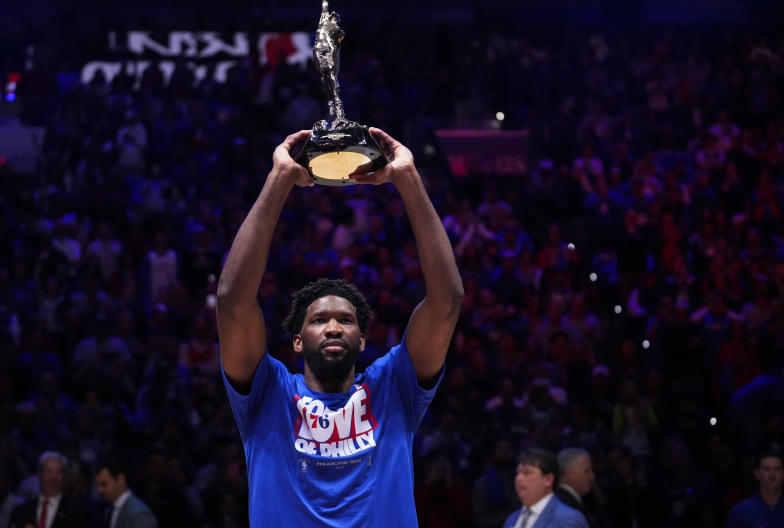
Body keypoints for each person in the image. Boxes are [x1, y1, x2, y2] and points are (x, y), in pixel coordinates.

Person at [216, 128, 464, 527]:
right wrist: (279, 179)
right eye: (319, 320)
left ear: (362, 339)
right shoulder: (269, 392)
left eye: (345, 320)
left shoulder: (392, 386)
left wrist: (408, 178)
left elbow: (447, 300)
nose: (333, 327)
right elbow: (231, 303)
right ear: (297, 341)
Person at [504, 448, 587, 528]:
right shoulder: (512, 519)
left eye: (527, 473)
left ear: (548, 479)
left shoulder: (569, 519)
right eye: (518, 472)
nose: (518, 478)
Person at [9, 452, 88, 528]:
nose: (53, 477)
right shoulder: (21, 512)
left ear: (65, 477)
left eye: (59, 472)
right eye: (48, 471)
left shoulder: (77, 513)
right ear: (39, 475)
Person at [94, 455, 158, 528]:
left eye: (104, 484)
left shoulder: (139, 514)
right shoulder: (109, 511)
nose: (99, 490)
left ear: (121, 480)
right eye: (98, 485)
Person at [727, 450, 784, 527]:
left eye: (777, 469)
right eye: (767, 469)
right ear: (757, 474)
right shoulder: (740, 511)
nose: (772, 474)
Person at [555, 448, 598, 528]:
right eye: (587, 471)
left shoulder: (560, 500)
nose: (592, 476)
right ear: (569, 474)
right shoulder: (567, 505)